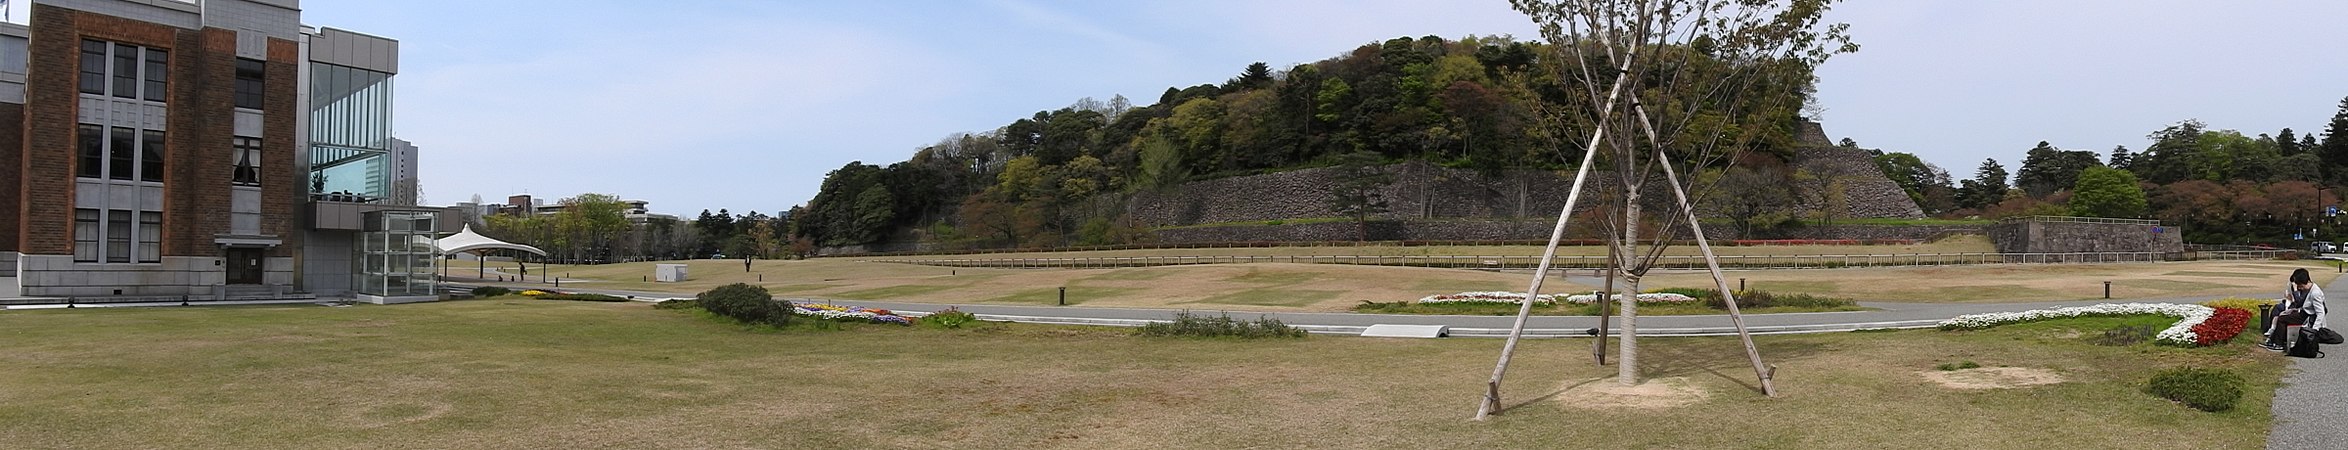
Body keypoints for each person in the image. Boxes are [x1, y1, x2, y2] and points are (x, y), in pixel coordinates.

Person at [2264, 268, 2328, 351]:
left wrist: (2314, 329)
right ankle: (2273, 340)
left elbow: (2321, 313)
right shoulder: (2310, 289)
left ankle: (2278, 344)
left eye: (2299, 286)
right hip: (2304, 313)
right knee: (2283, 315)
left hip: (2307, 317)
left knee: (2282, 319)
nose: (2299, 288)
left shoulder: (2315, 293)